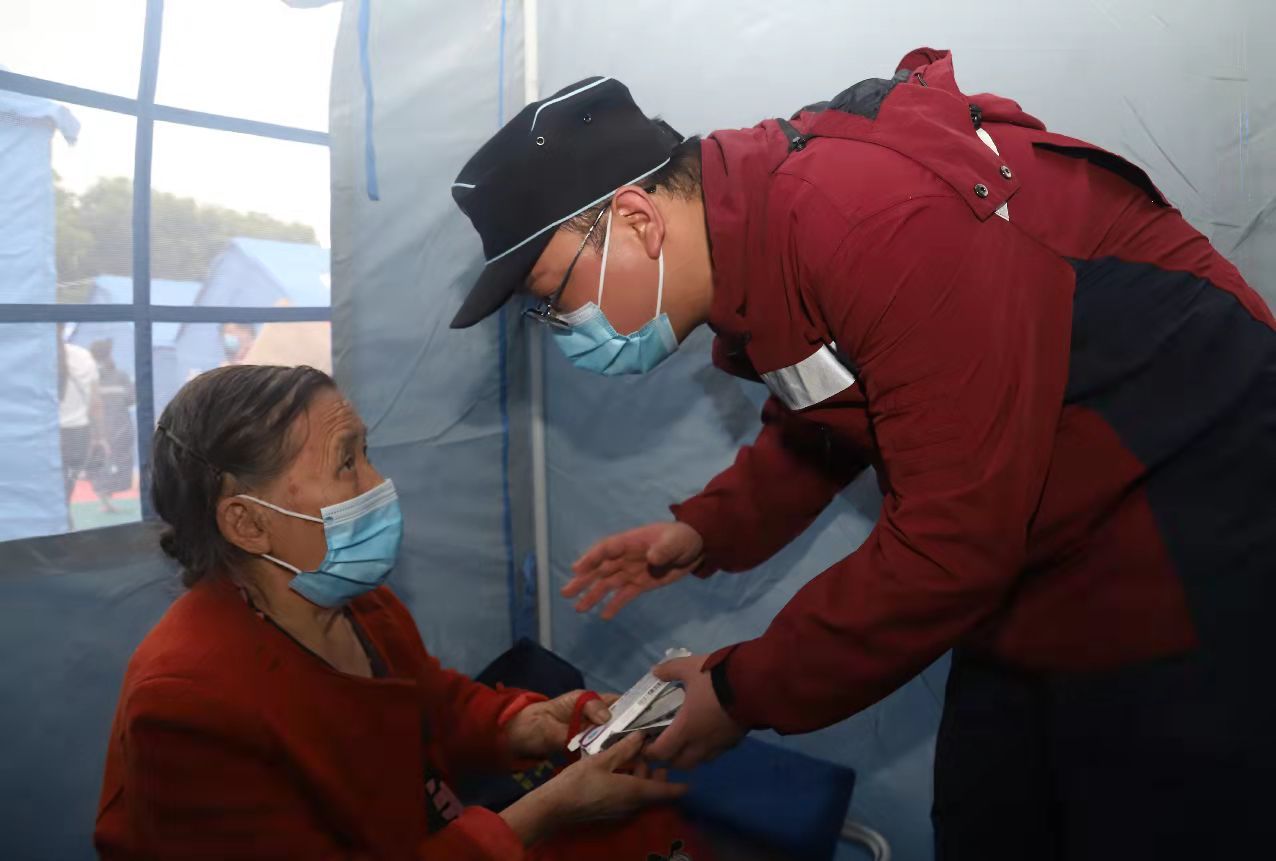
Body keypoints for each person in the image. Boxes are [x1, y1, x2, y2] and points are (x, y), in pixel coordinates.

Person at [448, 50, 1276, 859]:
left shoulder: (867, 220)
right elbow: (830, 407)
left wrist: (740, 688)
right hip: (1036, 521)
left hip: (1183, 495)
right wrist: (706, 530)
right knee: (989, 808)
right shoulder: (756, 240)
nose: (562, 329)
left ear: (638, 219)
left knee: (1152, 810)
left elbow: (953, 541)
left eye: (553, 297)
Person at [95, 364, 708, 861]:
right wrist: (542, 813)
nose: (379, 482)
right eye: (347, 462)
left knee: (645, 829)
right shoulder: (185, 708)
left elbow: (432, 709)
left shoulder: (360, 605)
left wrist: (522, 725)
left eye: (367, 453)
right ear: (248, 523)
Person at [56, 325, 102, 524]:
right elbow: (95, 404)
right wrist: (99, 437)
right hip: (78, 435)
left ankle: (60, 524)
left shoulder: (35, 356)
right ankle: (66, 522)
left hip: (49, 435)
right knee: (67, 487)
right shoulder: (83, 356)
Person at [86, 339, 136, 513]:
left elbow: (131, 398)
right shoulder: (91, 377)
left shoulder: (120, 376)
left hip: (118, 428)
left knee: (116, 463)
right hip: (102, 429)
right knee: (102, 464)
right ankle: (105, 497)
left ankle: (106, 496)